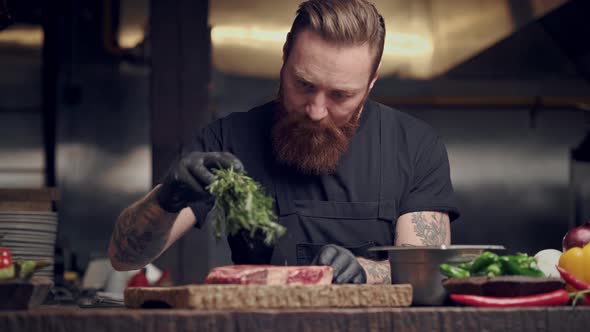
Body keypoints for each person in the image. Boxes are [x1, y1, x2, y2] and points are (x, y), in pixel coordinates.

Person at [108, 0, 459, 284]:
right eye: (304, 84)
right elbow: (125, 258)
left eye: (341, 95)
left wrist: (366, 272)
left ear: (370, 84)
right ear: (285, 56)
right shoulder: (227, 140)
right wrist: (166, 198)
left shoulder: (414, 147)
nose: (316, 110)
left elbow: (428, 274)